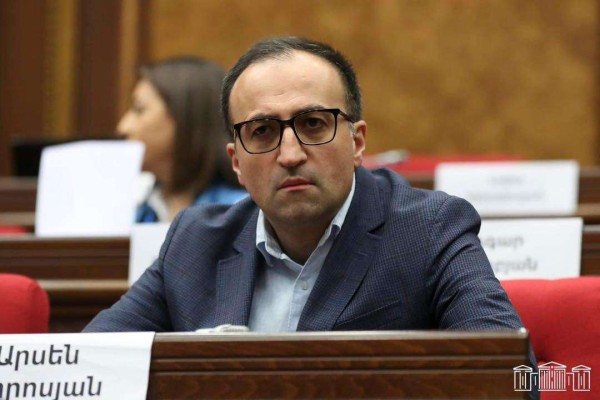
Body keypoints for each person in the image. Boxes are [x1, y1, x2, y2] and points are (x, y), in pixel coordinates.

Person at [85, 36, 533, 346]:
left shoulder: (429, 229)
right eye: (262, 131)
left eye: (314, 124)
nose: (290, 154)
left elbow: (511, 373)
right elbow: (90, 363)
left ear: (357, 142)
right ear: (237, 161)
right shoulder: (194, 241)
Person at [116, 57, 246, 222]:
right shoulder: (138, 211)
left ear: (185, 117)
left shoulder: (243, 215)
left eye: (139, 110)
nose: (123, 128)